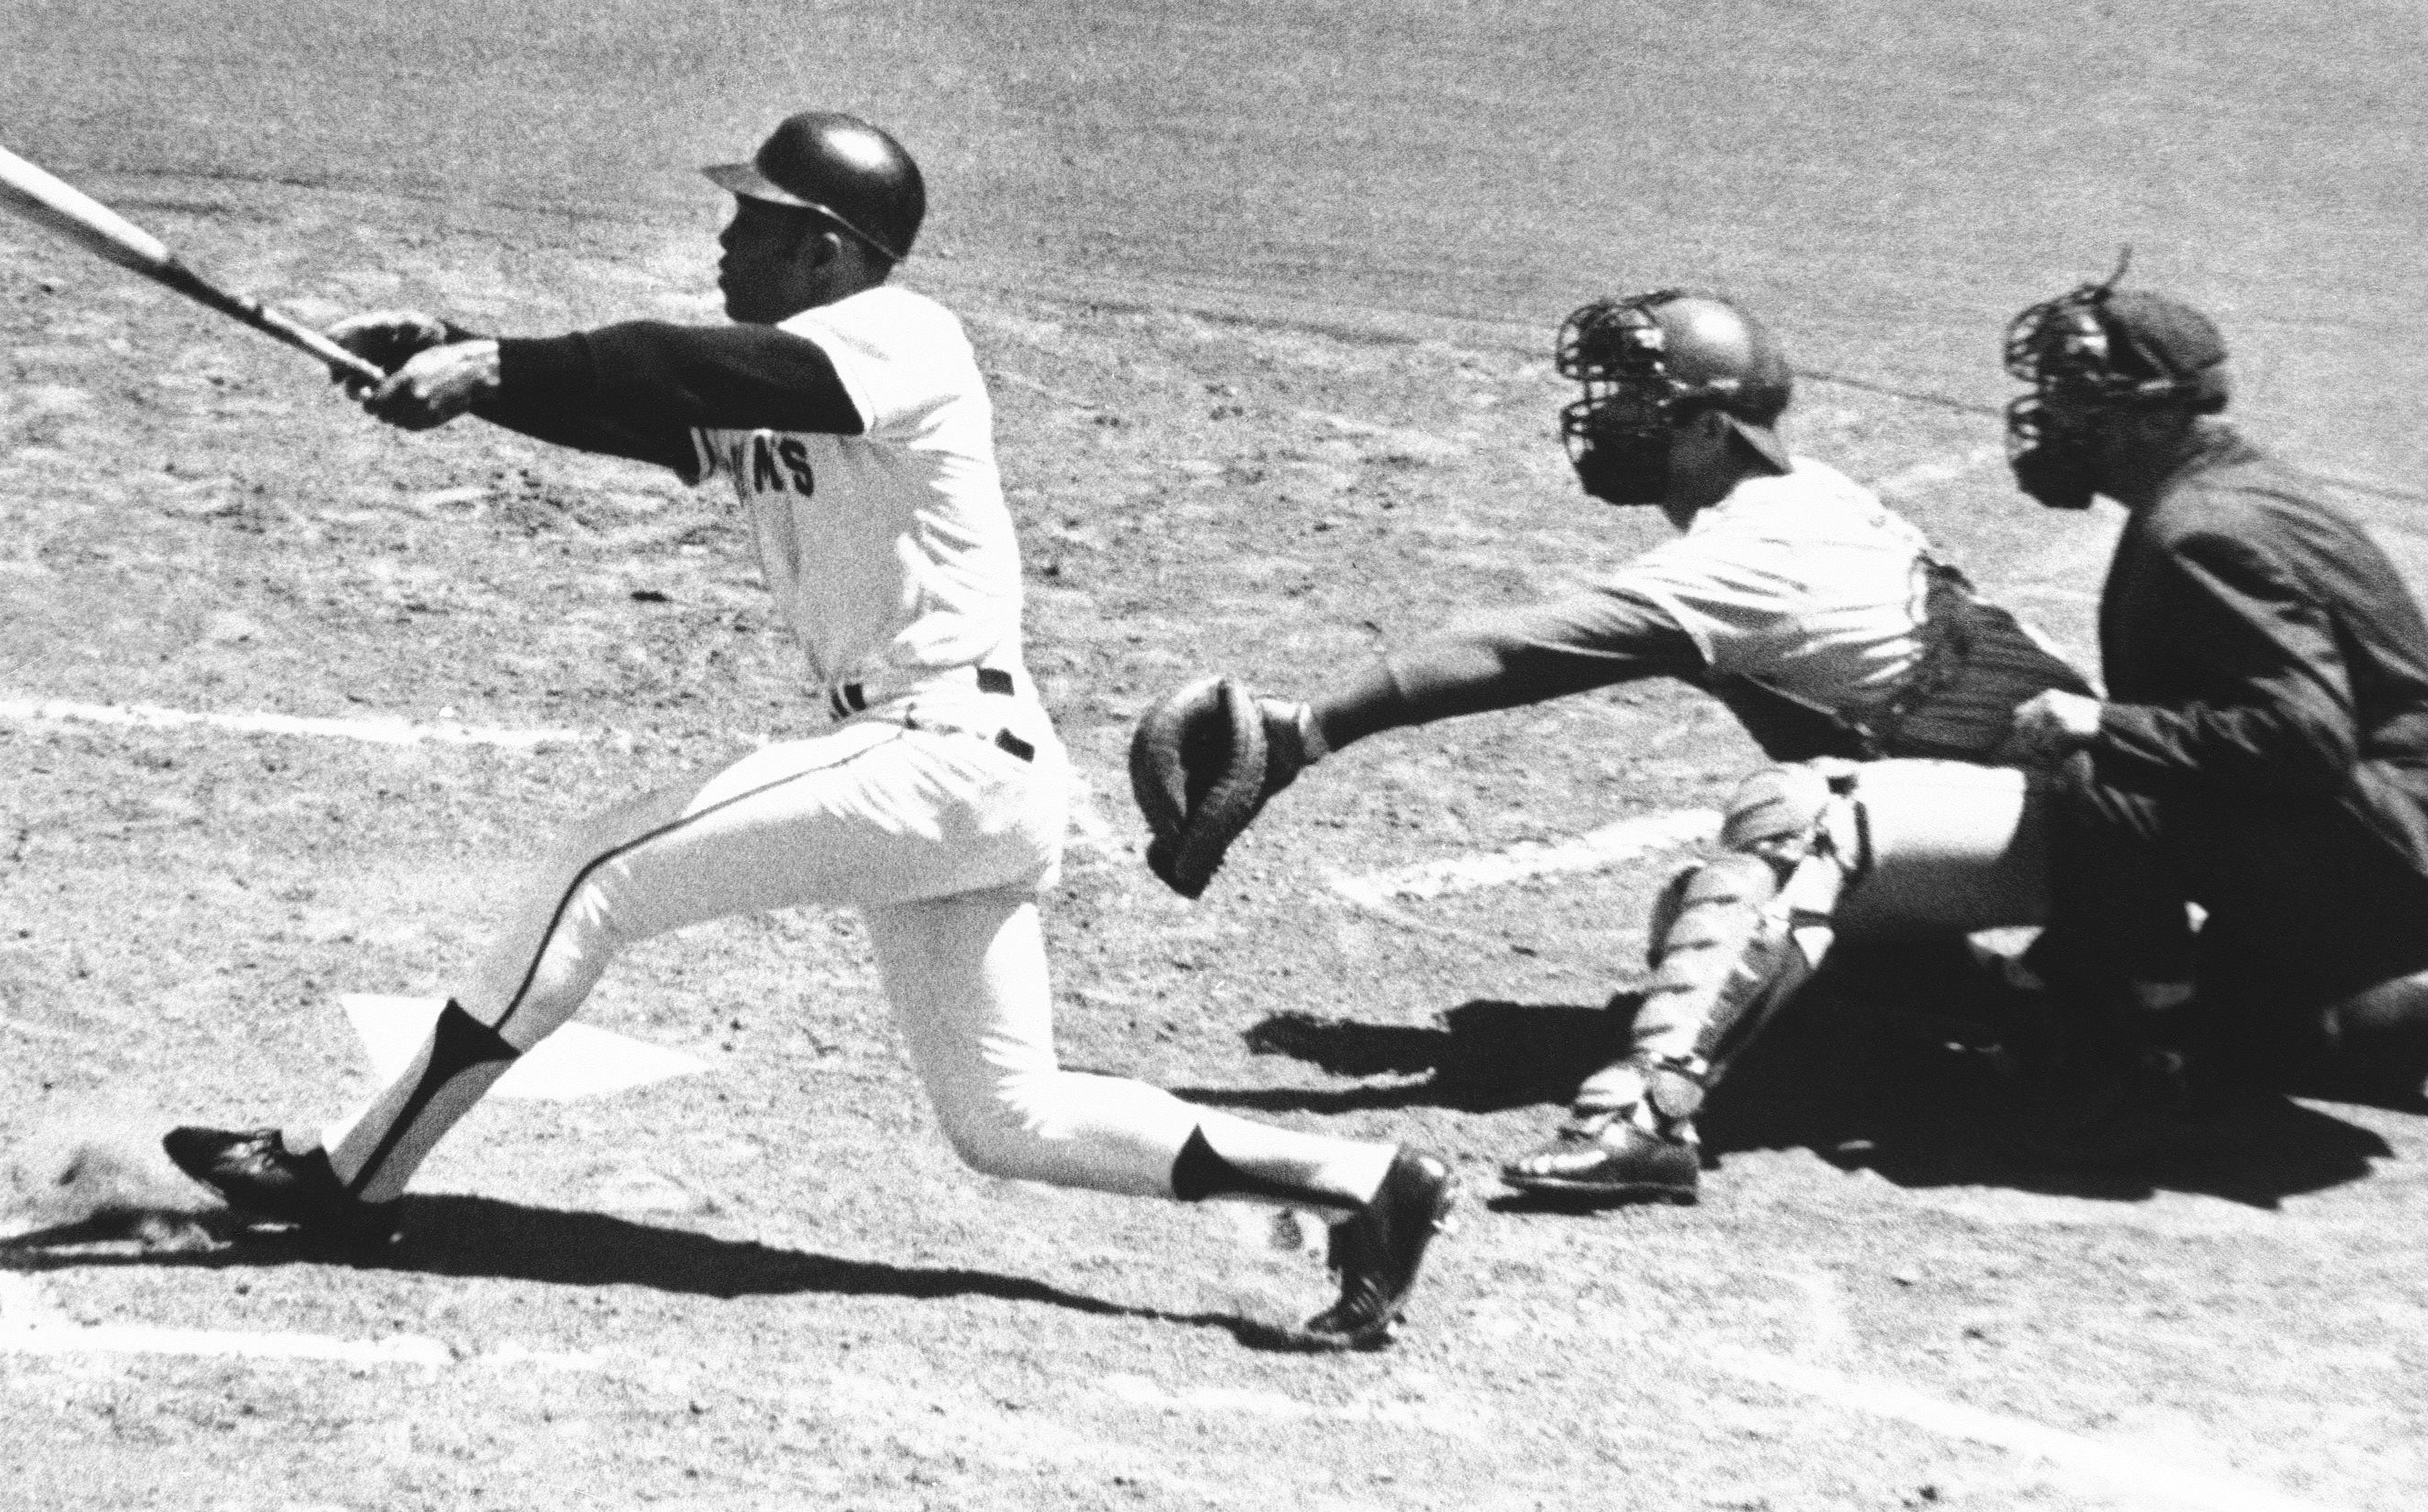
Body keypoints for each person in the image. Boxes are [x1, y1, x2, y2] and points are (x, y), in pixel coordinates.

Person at [160, 111, 1452, 1352]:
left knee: (592, 880)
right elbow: (645, 413)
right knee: (1008, 1117)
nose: (727, 239)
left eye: (754, 220)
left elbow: (689, 365)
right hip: (968, 782)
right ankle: (1365, 1180)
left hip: (937, 751)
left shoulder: (899, 335)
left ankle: (350, 1176)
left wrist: (500, 358)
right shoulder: (786, 377)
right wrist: (460, 361)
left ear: (828, 251)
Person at [1132, 289, 2092, 1205]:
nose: (1609, 418)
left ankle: (1644, 1120)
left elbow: (1515, 651)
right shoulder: (1804, 501)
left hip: (2096, 824)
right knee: (1711, 914)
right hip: (2050, 818)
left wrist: (1307, 730)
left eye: (1642, 402)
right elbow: (1848, 722)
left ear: (1712, 429)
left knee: (1795, 818)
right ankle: (2036, 1014)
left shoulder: (1755, 551)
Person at [1983, 263, 2428, 1154]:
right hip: (2425, 840)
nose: (2054, 417)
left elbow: (2301, 736)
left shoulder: (2197, 533)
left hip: (2388, 859)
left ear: (2158, 416)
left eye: (2082, 400)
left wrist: (2101, 726)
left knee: (2096, 775)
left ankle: (2148, 1059)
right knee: (2261, 1035)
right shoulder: (2231, 484)